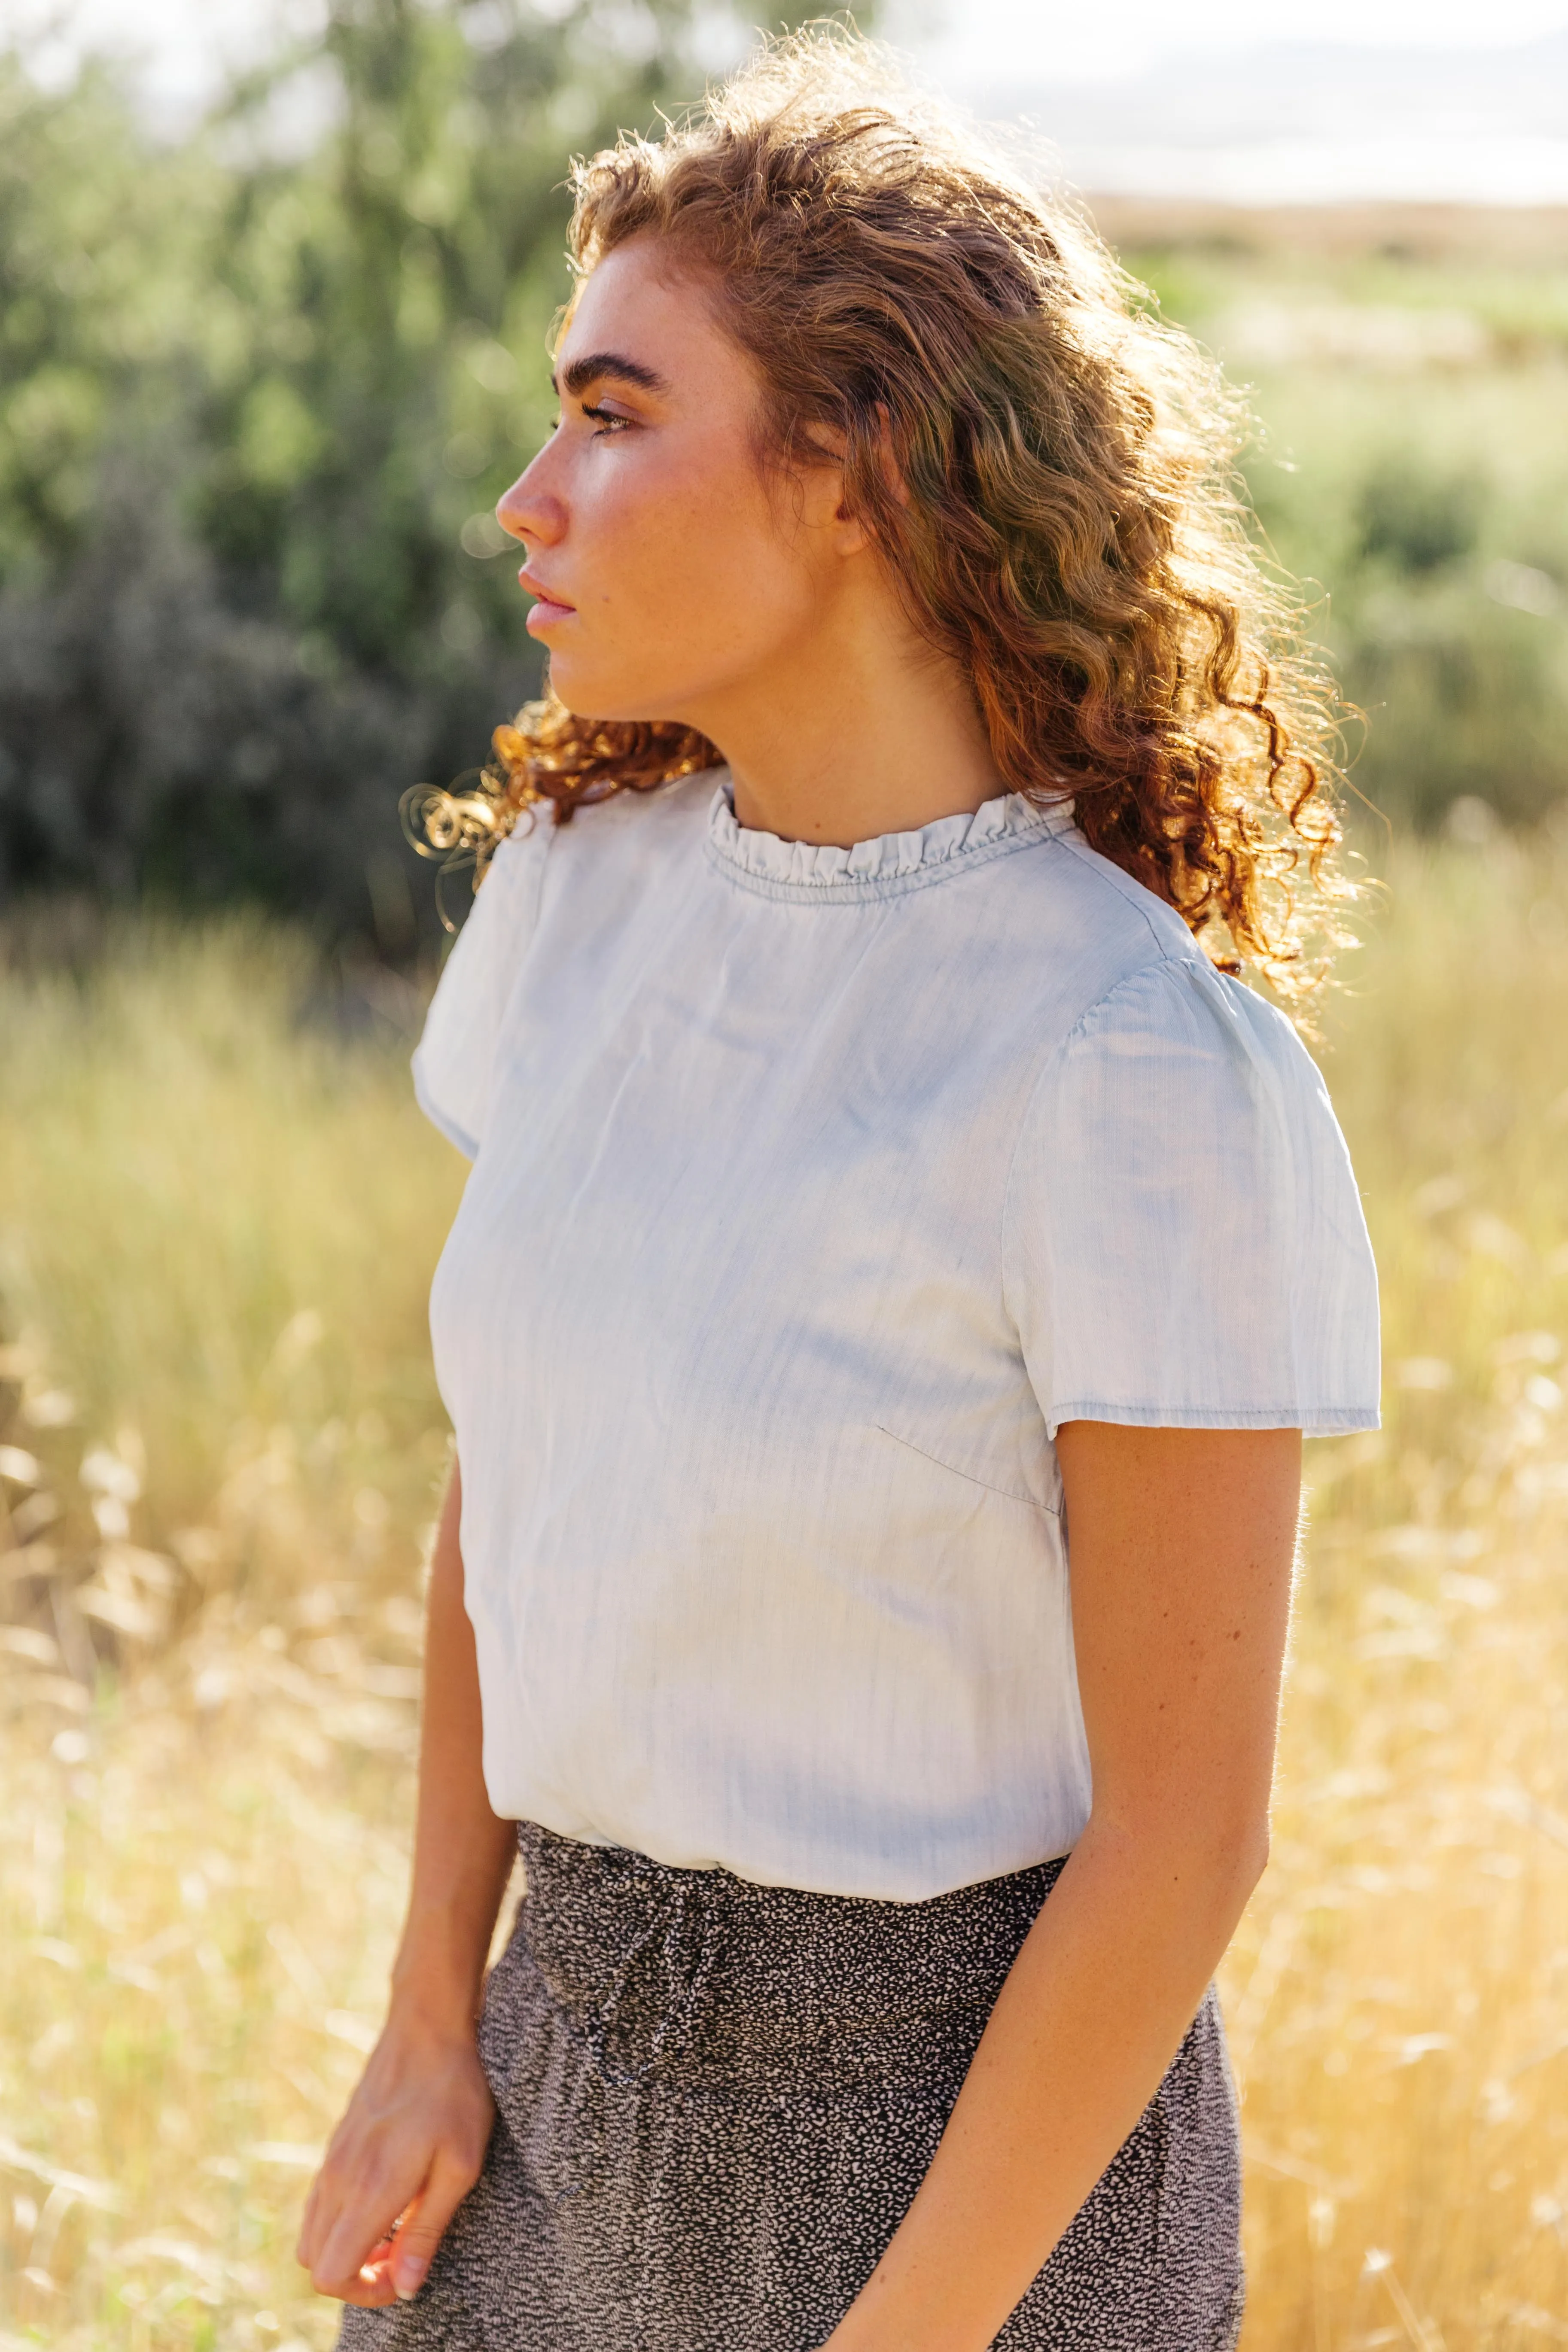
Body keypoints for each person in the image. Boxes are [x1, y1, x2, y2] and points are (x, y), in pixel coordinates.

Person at [297, 31, 1380, 2352]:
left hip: (969, 2168)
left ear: (858, 468)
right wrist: (430, 2014)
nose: (528, 493)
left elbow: (1181, 1849)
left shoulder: (1123, 1066)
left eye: (609, 409)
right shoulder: (578, 899)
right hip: (552, 2086)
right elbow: (521, 1478)